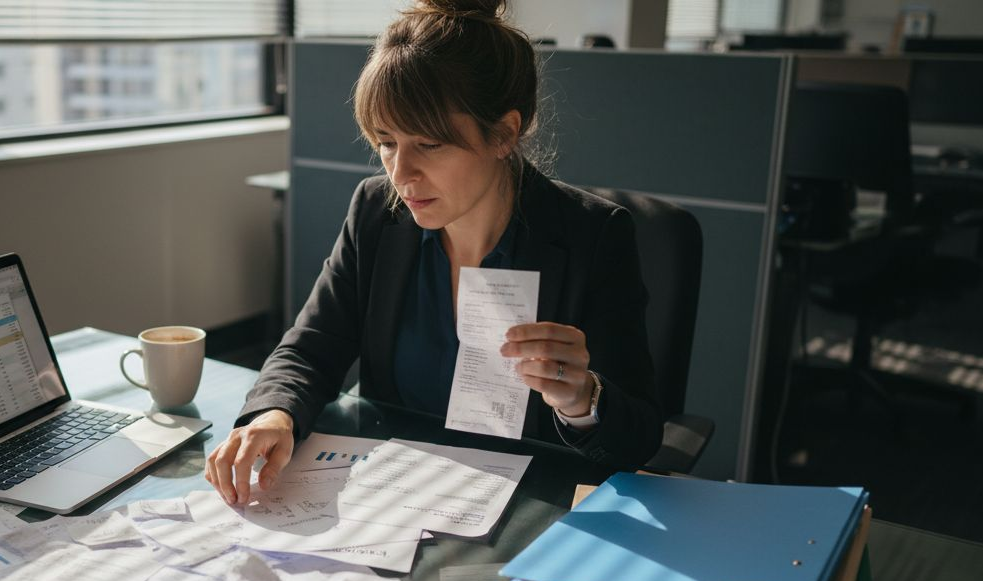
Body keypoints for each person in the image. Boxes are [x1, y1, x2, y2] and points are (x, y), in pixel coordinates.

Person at [206, 0, 663, 506]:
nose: (400, 174)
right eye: (386, 142)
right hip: (392, 495)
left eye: (428, 145)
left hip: (528, 504)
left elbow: (640, 439)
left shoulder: (591, 236)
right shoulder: (377, 213)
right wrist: (275, 414)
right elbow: (312, 346)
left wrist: (582, 400)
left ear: (504, 134)